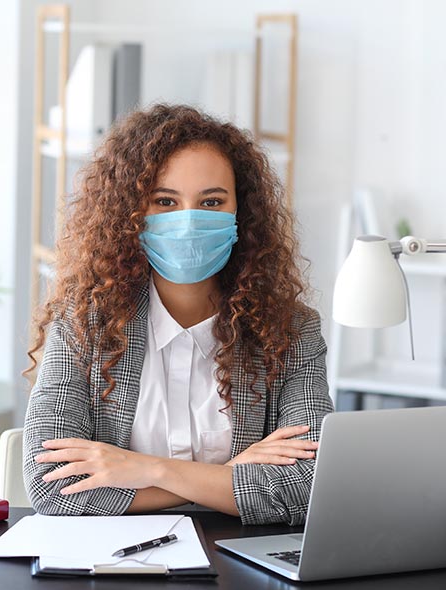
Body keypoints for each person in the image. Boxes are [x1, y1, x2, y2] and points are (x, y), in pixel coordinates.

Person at [22, 103, 333, 525]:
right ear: (131, 212)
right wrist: (226, 479)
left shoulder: (293, 330)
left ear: (242, 212)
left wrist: (152, 470)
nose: (188, 221)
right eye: (165, 201)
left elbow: (307, 487)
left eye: (211, 201)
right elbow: (51, 485)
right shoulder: (83, 325)